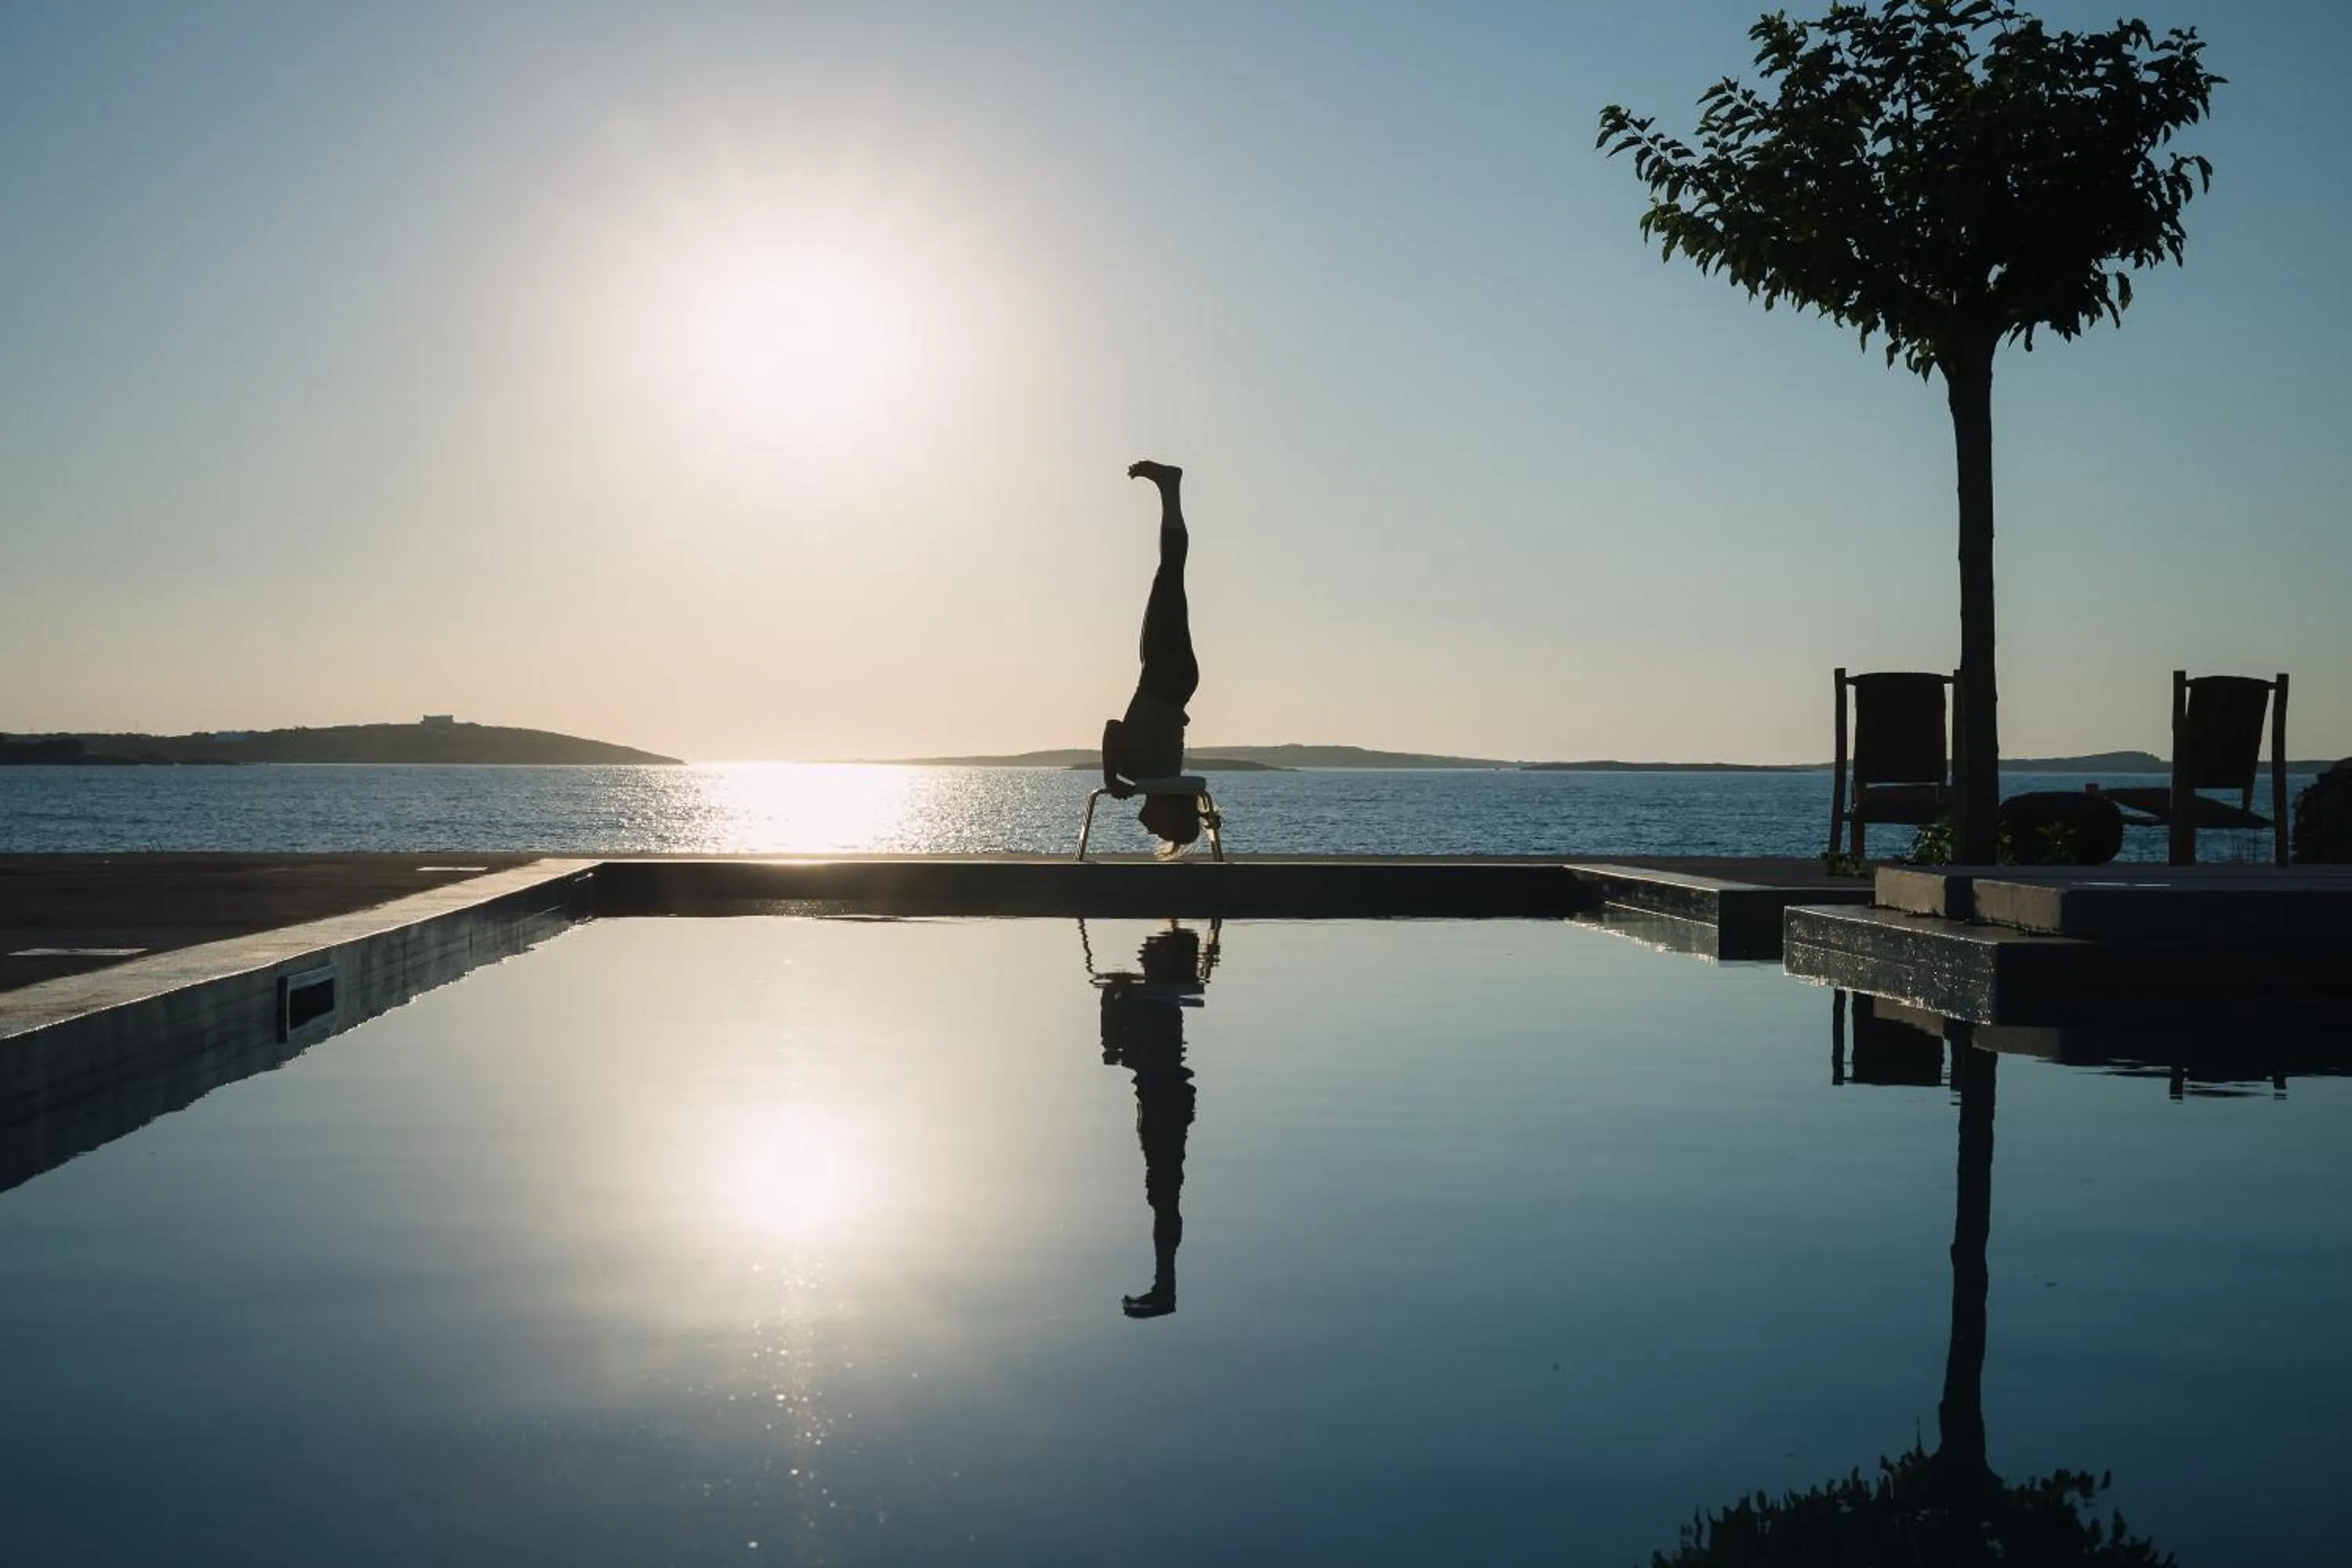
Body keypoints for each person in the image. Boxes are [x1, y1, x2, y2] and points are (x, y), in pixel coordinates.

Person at [1094, 922, 1212, 1319]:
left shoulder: (1154, 1001)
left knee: (1164, 1193)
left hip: (1163, 1099)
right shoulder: (1164, 997)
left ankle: (1166, 1283)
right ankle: (1165, 1280)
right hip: (1164, 1097)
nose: (1141, 955)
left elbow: (1115, 1051)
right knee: (1163, 1192)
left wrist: (1112, 1004)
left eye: (1149, 953)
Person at [1100, 460, 1202, 854]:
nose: (1148, 828)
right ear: (1168, 813)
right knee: (1170, 573)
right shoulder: (1144, 776)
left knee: (1169, 575)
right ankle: (1170, 487)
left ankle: (1169, 490)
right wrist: (1111, 777)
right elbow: (1113, 729)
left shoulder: (1163, 777)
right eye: (1159, 830)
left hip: (1171, 682)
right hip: (1164, 679)